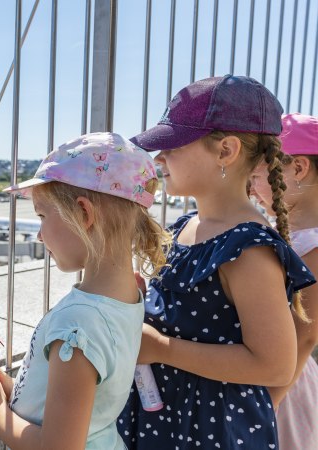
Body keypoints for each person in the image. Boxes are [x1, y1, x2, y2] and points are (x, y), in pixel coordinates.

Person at [118, 75, 316, 449]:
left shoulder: (248, 248)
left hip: (211, 431)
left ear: (226, 150)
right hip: (173, 419)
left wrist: (161, 348)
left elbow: (275, 364)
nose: (159, 158)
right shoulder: (186, 227)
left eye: (172, 145)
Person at [0, 132, 169, 449]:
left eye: (43, 216)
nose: (41, 235)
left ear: (84, 214)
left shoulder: (79, 324)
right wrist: (12, 391)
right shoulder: (128, 297)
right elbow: (79, 400)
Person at [249, 112, 318, 449]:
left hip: (280, 390)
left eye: (259, 176)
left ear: (299, 168)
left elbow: (304, 336)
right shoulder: (284, 233)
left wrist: (264, 409)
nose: (252, 189)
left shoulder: (314, 246)